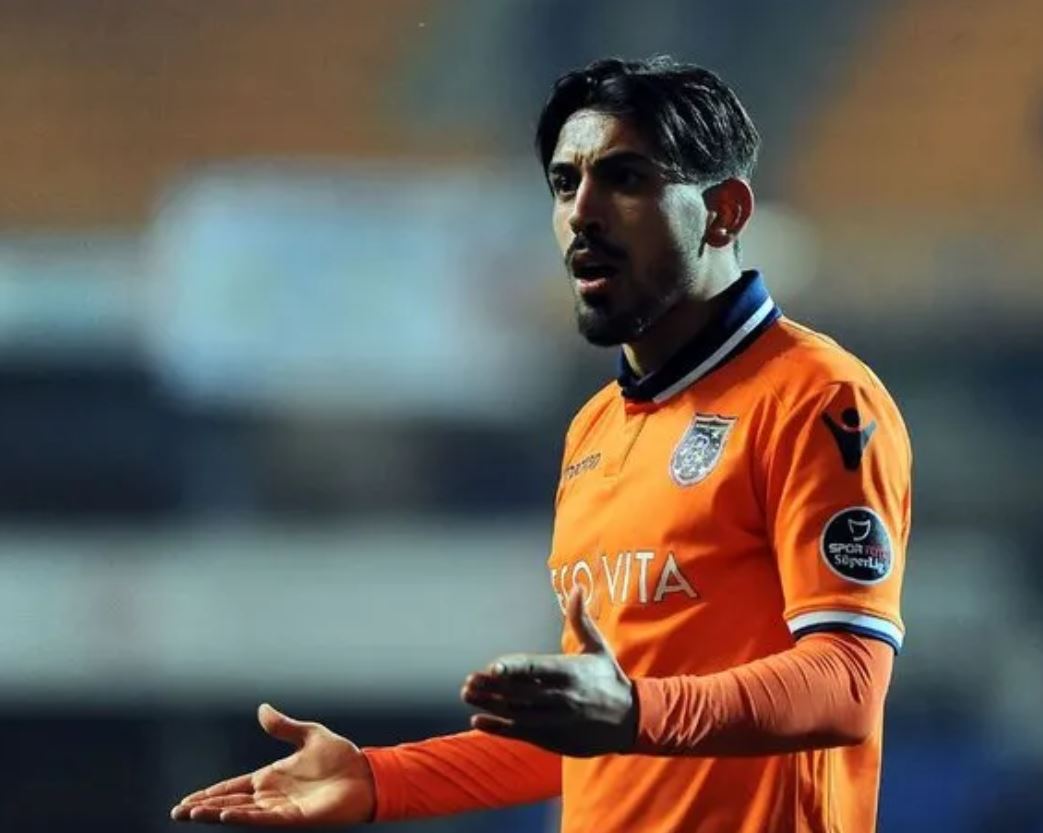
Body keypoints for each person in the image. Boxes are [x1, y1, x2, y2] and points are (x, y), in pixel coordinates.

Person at [171, 56, 911, 833]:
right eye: (564, 184)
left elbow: (846, 684)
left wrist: (632, 709)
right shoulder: (595, 428)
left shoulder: (817, 397)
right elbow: (586, 736)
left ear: (723, 212)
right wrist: (380, 777)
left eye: (624, 179)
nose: (581, 213)